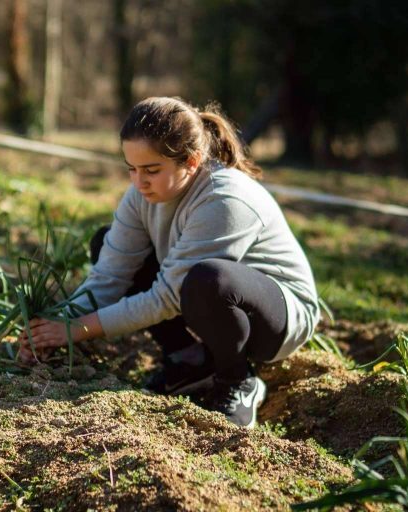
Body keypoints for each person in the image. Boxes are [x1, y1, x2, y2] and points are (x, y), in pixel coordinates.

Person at [17, 97, 320, 428]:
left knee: (209, 280)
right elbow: (109, 275)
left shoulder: (224, 199)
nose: (138, 182)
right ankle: (190, 363)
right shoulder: (141, 195)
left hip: (277, 318)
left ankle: (238, 382)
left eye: (151, 170)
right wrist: (51, 328)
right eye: (131, 168)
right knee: (106, 243)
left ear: (190, 161)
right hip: (197, 295)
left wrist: (76, 331)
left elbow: (166, 298)